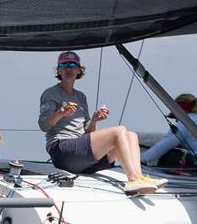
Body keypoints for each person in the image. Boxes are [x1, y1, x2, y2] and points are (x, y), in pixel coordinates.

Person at [38, 51, 167, 194]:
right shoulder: (51, 94)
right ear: (59, 70)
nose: (69, 69)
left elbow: (88, 133)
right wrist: (60, 113)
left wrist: (94, 120)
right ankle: (133, 179)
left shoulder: (81, 97)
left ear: (79, 70)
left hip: (81, 157)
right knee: (119, 131)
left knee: (131, 135)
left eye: (73, 65)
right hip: (62, 151)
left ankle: (140, 178)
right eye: (64, 65)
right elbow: (44, 125)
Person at [141, 93, 197, 166]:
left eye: (175, 117)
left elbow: (164, 145)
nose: (176, 121)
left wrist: (141, 159)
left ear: (180, 111)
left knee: (169, 156)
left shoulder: (186, 123)